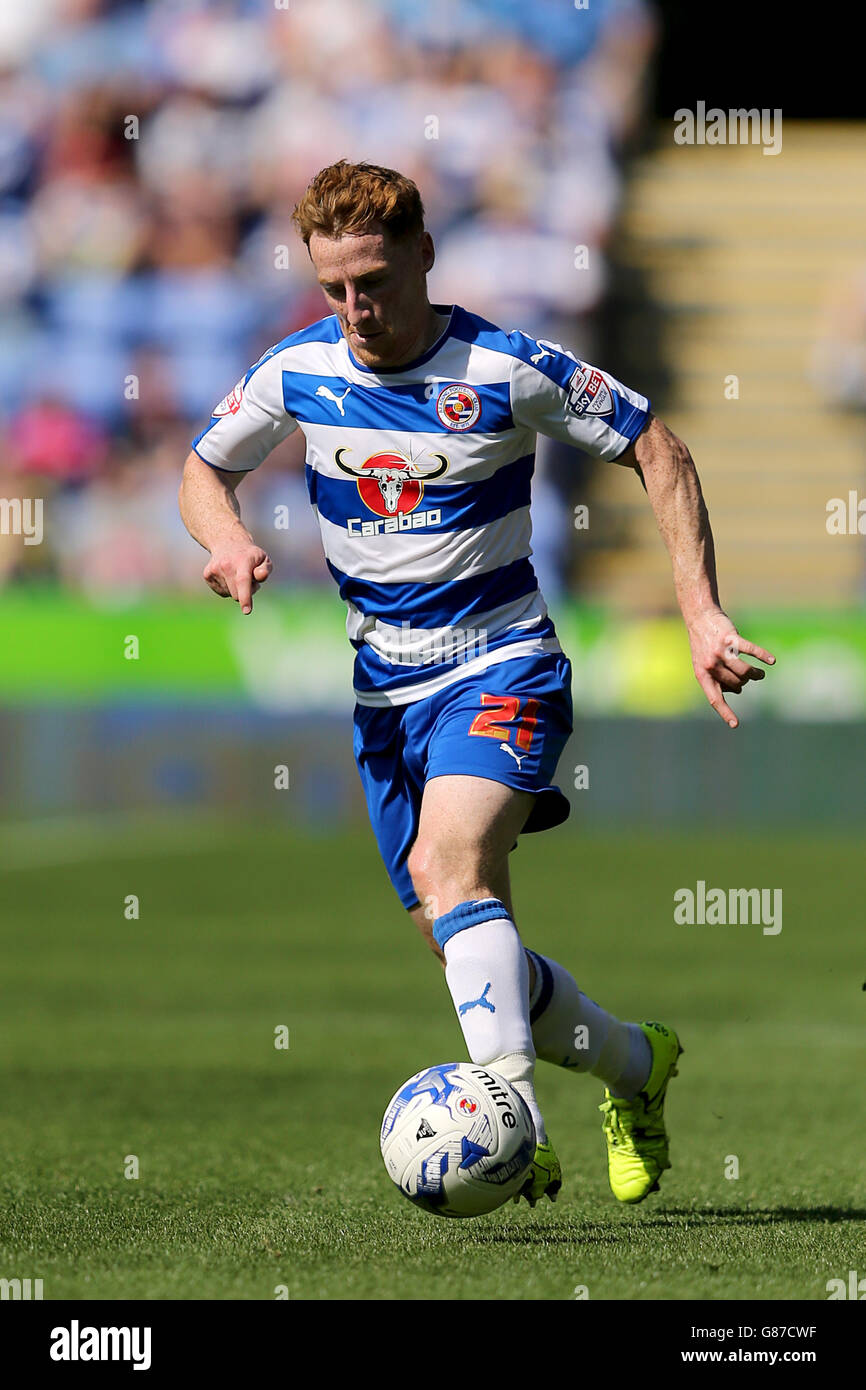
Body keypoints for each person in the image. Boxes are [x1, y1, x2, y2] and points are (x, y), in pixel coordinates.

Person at [178, 160, 775, 1208]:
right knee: (461, 937)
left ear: (422, 254)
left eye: (373, 279)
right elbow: (203, 465)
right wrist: (224, 538)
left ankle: (507, 1119)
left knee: (451, 869)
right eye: (333, 289)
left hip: (500, 664)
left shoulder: (503, 365)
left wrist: (698, 609)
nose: (355, 309)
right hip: (381, 696)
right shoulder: (295, 371)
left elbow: (655, 444)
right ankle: (636, 1065)